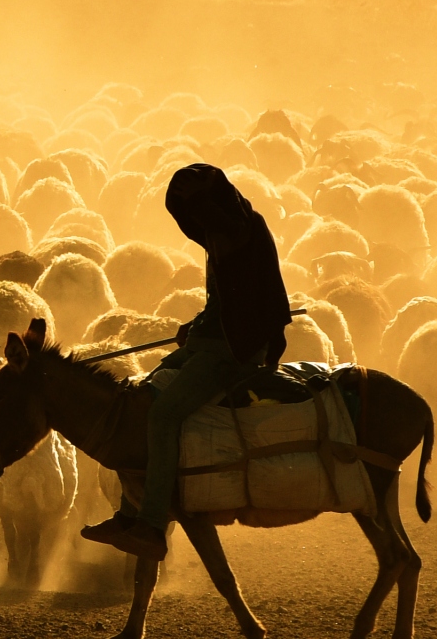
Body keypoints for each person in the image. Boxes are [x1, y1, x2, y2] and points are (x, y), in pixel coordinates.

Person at [81, 163, 291, 559]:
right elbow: (225, 304)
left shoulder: (242, 234)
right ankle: (128, 514)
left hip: (233, 353)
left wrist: (207, 333)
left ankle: (152, 525)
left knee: (162, 415)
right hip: (212, 344)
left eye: (195, 211)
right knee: (141, 399)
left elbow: (249, 308)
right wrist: (194, 326)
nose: (192, 222)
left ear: (209, 207)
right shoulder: (226, 234)